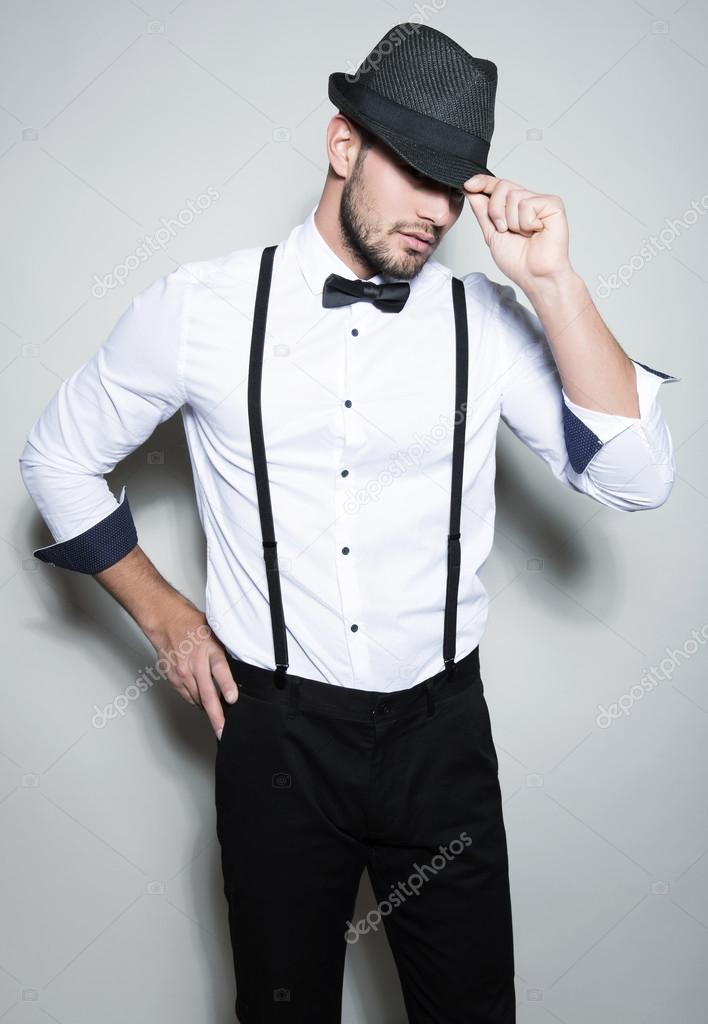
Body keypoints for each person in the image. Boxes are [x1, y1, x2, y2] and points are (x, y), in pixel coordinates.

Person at [18, 21, 679, 1024]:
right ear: (343, 147)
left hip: (441, 736)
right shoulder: (200, 309)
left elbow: (639, 477)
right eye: (418, 172)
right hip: (276, 738)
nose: (437, 213)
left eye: (456, 185)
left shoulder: (489, 321)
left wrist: (552, 284)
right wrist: (165, 617)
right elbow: (56, 459)